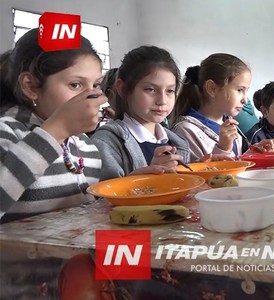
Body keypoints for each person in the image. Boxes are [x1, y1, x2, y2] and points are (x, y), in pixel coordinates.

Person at [0, 29, 107, 223]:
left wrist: (132, 184)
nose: (92, 96)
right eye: (75, 85)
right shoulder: (7, 133)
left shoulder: (85, 145)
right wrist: (55, 132)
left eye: (96, 85)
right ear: (31, 86)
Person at [92, 45, 190, 180]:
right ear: (123, 89)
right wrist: (148, 177)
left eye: (170, 91)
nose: (162, 101)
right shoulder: (107, 142)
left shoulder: (177, 142)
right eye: (150, 89)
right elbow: (104, 198)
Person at [169, 54, 274, 161]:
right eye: (240, 90)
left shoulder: (229, 123)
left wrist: (253, 153)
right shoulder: (186, 130)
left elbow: (235, 161)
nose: (245, 100)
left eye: (246, 91)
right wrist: (223, 148)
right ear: (212, 89)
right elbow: (199, 174)